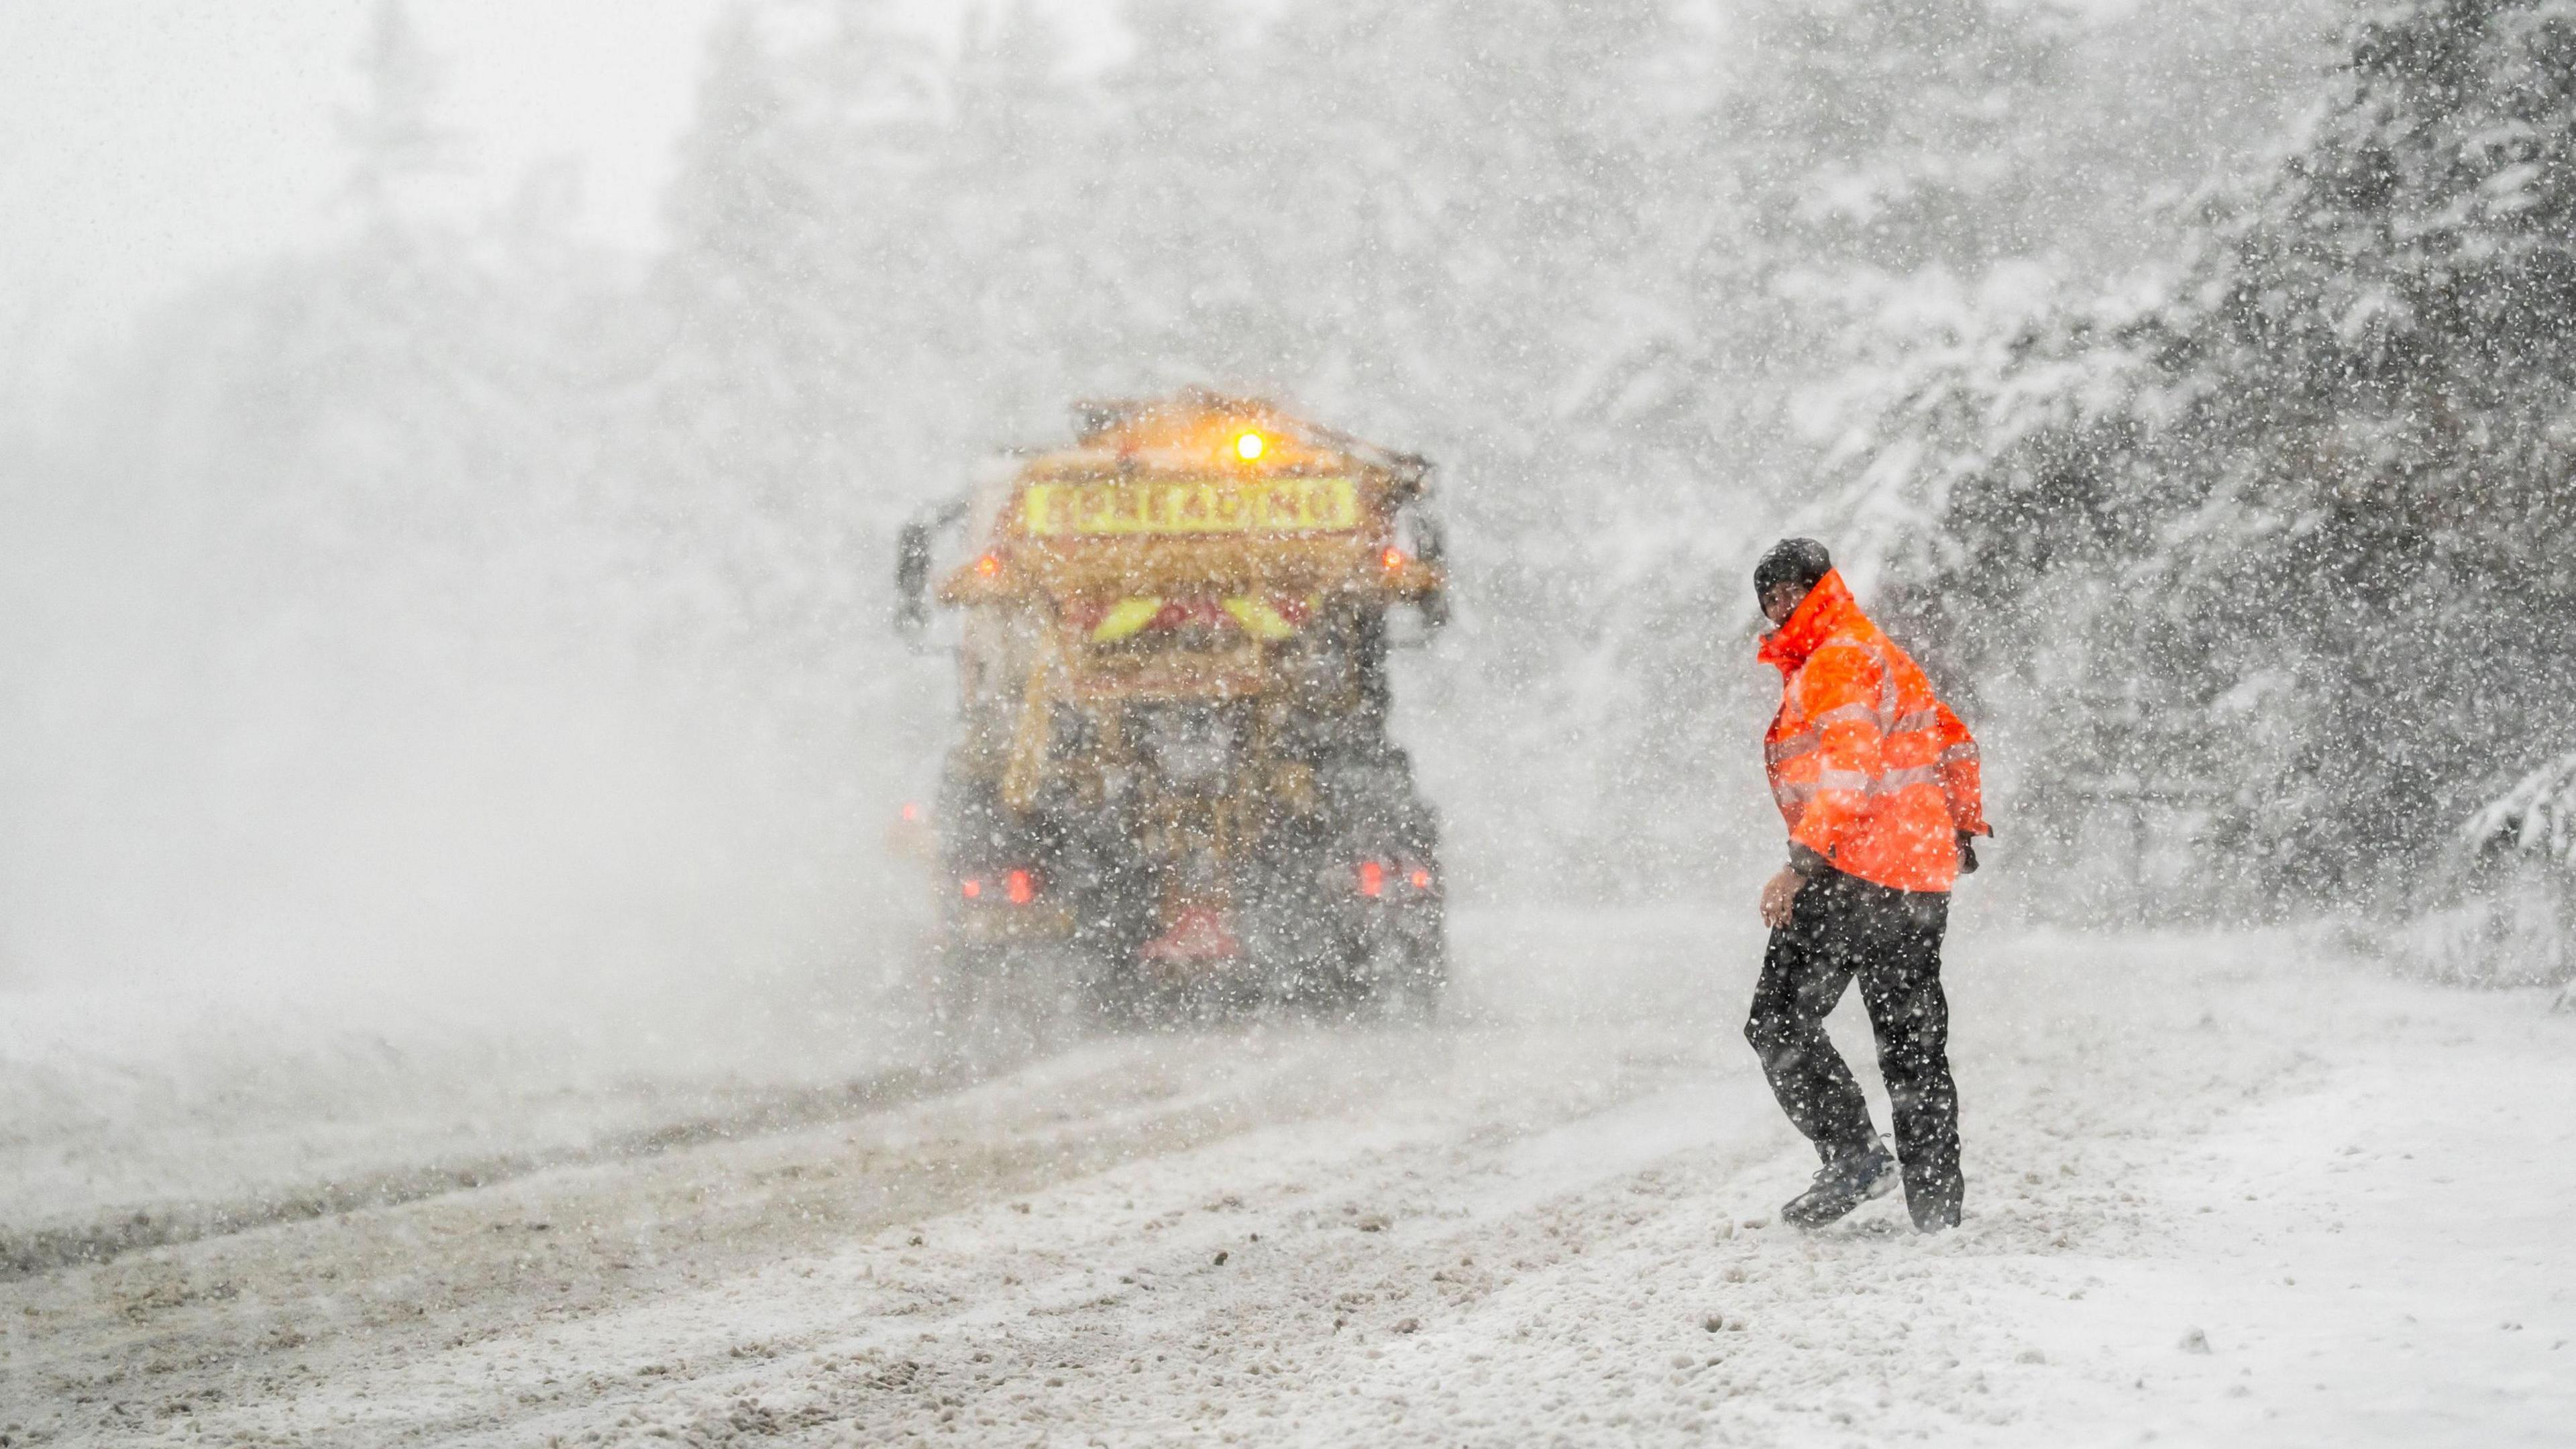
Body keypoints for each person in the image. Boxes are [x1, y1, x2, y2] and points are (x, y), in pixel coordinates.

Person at [1743, 538, 1990, 1232]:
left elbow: (1848, 775)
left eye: (1789, 591)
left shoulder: (1836, 661)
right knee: (1914, 1048)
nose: (1777, 606)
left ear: (1822, 588)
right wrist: (1959, 829)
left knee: (1778, 1021)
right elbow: (1954, 739)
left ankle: (1856, 1158)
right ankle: (1937, 1213)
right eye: (1768, 597)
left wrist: (1800, 863)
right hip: (1916, 877)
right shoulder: (1878, 650)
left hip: (1855, 876)